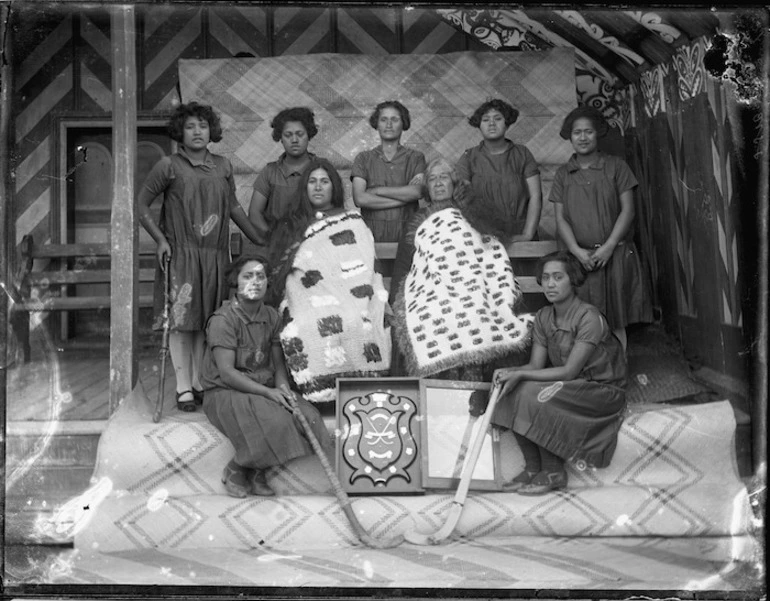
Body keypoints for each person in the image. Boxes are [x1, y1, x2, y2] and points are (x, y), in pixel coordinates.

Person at [138, 101, 265, 413]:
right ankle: (182, 388)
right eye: (191, 126)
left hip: (215, 257)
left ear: (212, 131)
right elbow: (140, 205)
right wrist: (159, 240)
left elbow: (234, 207)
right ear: (180, 131)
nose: (197, 131)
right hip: (181, 254)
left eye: (203, 126)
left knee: (205, 321)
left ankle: (197, 382)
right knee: (183, 322)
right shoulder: (168, 165)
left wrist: (259, 238)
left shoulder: (223, 165)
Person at [491, 251, 627, 495]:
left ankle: (554, 472)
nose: (550, 284)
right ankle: (533, 469)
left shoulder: (589, 317)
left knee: (536, 393)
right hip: (571, 385)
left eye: (558, 277)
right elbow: (535, 366)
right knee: (512, 390)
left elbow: (569, 370)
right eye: (546, 278)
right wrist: (509, 372)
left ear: (572, 280)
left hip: (600, 390)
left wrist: (521, 376)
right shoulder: (543, 317)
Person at [199, 255, 331, 498]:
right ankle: (237, 468)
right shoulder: (223, 320)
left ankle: (259, 471)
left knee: (307, 416)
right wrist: (269, 393)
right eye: (247, 276)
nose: (255, 281)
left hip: (265, 385)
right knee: (276, 420)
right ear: (234, 282)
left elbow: (278, 365)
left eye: (260, 276)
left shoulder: (271, 316)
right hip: (226, 392)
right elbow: (227, 374)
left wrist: (282, 389)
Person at [391, 158, 534, 380]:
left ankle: (473, 378)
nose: (438, 183)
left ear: (455, 182)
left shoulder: (472, 209)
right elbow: (404, 264)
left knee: (475, 312)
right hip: (434, 290)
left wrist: (471, 204)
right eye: (432, 179)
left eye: (444, 177)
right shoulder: (418, 221)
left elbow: (497, 234)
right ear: (427, 187)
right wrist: (394, 301)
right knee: (434, 316)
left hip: (475, 285)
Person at [271, 158, 392, 403]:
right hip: (307, 297)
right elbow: (283, 269)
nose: (318, 187)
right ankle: (321, 392)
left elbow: (366, 264)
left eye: (324, 182)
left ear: (333, 187)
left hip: (351, 295)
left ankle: (358, 389)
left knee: (358, 319)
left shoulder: (353, 222)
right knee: (305, 323)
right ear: (304, 187)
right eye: (312, 182)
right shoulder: (293, 224)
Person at [550, 106, 652, 352]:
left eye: (588, 132)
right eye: (577, 133)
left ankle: (617, 371)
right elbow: (560, 218)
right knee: (580, 319)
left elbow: (628, 211)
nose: (583, 138)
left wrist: (607, 248)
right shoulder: (563, 174)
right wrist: (576, 251)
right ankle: (585, 373)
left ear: (598, 135)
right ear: (570, 136)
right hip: (578, 259)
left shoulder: (616, 167)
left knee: (615, 319)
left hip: (612, 255)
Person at [456, 98, 542, 244]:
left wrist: (527, 234)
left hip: (520, 236)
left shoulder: (522, 154)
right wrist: (479, 234)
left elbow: (536, 196)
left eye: (497, 118)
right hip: (482, 238)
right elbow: (464, 201)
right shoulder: (468, 158)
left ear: (507, 123)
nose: (491, 123)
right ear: (479, 125)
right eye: (485, 119)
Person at [247, 107, 319, 261]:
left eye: (300, 134)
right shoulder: (269, 172)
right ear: (280, 137)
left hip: (314, 248)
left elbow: (332, 211)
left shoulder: (321, 170)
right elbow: (254, 213)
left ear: (309, 135)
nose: (294, 140)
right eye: (288, 135)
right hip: (276, 251)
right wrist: (274, 239)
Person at [351, 100, 427, 243]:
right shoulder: (363, 159)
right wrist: (404, 198)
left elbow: (417, 192)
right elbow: (360, 199)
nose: (389, 124)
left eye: (395, 119)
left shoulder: (416, 157)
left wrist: (376, 190)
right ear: (377, 124)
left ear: (403, 123)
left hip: (409, 241)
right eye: (384, 119)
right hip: (371, 241)